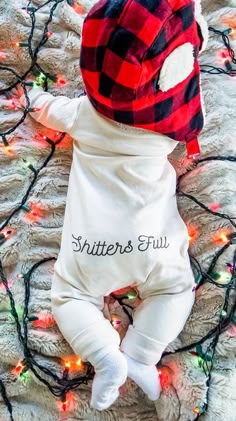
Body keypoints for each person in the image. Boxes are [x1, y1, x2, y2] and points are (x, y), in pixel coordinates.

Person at [19, 0, 208, 411]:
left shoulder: (84, 114)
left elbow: (47, 110)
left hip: (94, 249)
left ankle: (106, 356)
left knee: (69, 299)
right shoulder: (167, 132)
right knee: (176, 290)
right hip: (153, 244)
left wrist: (35, 99)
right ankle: (140, 354)